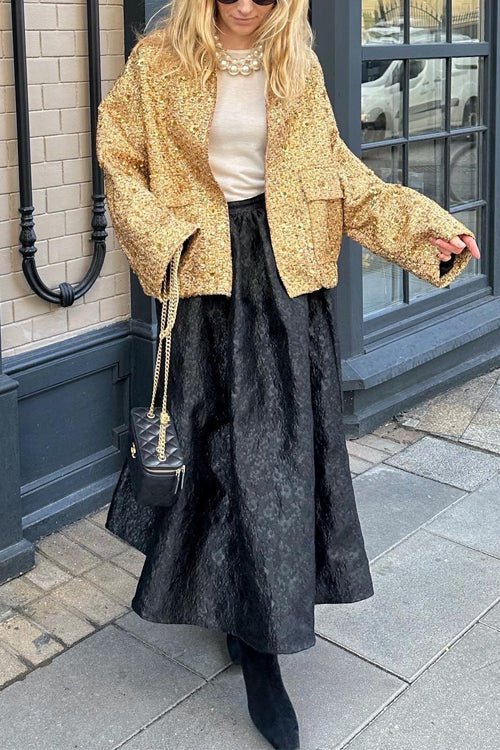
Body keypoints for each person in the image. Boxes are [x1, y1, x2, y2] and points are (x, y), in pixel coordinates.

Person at [96, 1, 481, 748]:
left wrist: (423, 227)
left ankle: (262, 647)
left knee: (272, 466)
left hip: (284, 288)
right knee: (217, 458)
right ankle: (235, 605)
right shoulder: (158, 62)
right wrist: (167, 239)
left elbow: (341, 177)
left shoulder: (295, 63)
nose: (247, 4)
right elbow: (120, 159)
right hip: (204, 279)